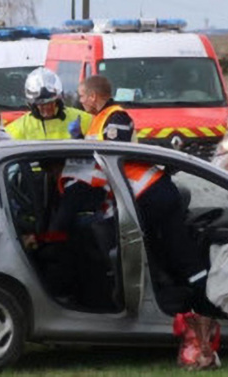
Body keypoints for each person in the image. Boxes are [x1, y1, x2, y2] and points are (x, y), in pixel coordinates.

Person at [73, 75, 213, 315]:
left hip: (152, 192)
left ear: (94, 96)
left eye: (83, 95)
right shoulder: (99, 120)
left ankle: (206, 300)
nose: (81, 100)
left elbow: (111, 156)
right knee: (160, 249)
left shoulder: (116, 117)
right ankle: (177, 298)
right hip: (140, 196)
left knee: (178, 249)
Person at [7, 67, 92, 141]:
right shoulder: (18, 128)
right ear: (33, 105)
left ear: (58, 101)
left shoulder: (83, 119)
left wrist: (81, 138)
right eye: (41, 104)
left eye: (50, 102)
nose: (47, 107)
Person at [77, 75, 134, 142]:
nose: (80, 101)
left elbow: (115, 150)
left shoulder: (116, 118)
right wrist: (79, 137)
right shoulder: (99, 117)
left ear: (93, 96)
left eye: (82, 96)